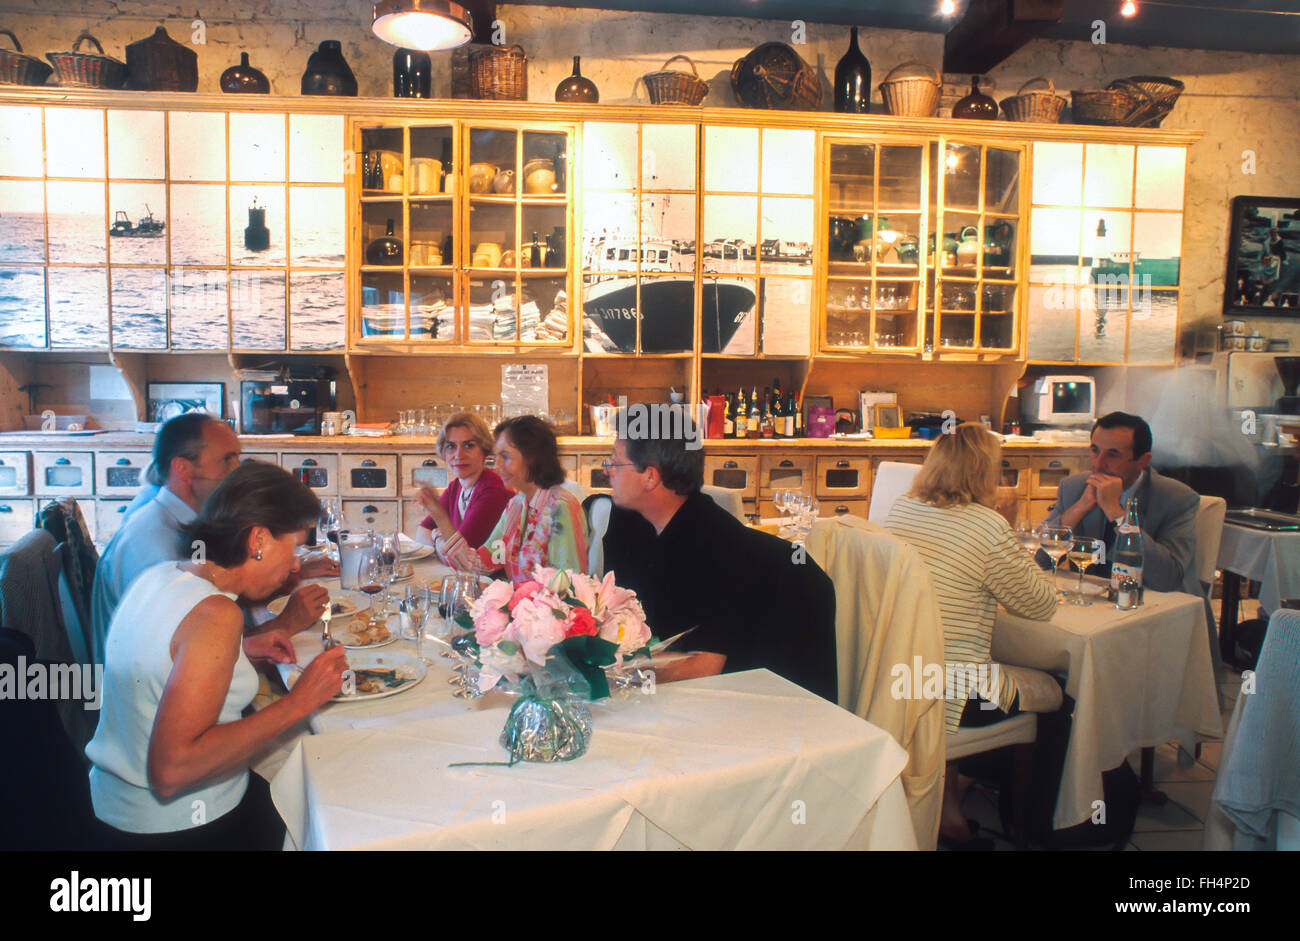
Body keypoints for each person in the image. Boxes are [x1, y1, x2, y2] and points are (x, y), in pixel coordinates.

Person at [85, 463, 348, 850]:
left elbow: (162, 661)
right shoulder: (216, 614)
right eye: (293, 548)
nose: (295, 565)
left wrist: (240, 652)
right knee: (332, 804)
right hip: (179, 828)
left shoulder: (163, 575)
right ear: (258, 539)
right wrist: (300, 702)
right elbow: (172, 770)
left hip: (113, 810)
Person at [885, 422, 1057, 848]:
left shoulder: (902, 508)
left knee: (984, 664)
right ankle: (1042, 826)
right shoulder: (986, 525)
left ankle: (950, 806)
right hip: (955, 692)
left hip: (901, 675)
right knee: (1060, 693)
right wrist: (1010, 531)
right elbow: (1040, 605)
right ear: (987, 472)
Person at [601, 406, 837, 703]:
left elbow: (704, 666)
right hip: (674, 693)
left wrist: (616, 679)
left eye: (615, 462)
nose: (607, 470)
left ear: (650, 477)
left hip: (755, 700)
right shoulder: (629, 523)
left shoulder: (721, 547)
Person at [90, 415, 331, 657]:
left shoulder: (186, 521)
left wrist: (281, 570)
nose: (237, 470)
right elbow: (183, 655)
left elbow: (216, 588)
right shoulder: (157, 544)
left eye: (237, 457)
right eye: (227, 460)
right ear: (184, 469)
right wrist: (285, 624)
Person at [1045, 411, 1200, 595]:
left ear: (1142, 461)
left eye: (1113, 455)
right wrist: (1080, 506)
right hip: (1094, 600)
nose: (1099, 464)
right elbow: (1037, 560)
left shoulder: (1176, 498)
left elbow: (1167, 578)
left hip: (1154, 605)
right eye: (1095, 450)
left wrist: (1117, 514)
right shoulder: (1075, 487)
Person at [431, 416, 587, 583]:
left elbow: (568, 588)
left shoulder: (559, 509)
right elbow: (480, 564)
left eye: (505, 457)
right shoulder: (516, 506)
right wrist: (438, 515)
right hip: (517, 605)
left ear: (532, 458)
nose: (497, 466)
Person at [413, 411, 513, 550]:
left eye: (469, 445)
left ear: (483, 450)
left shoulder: (493, 490)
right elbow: (422, 532)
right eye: (450, 446)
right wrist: (443, 541)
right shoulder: (456, 487)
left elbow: (461, 554)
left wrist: (436, 537)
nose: (459, 455)